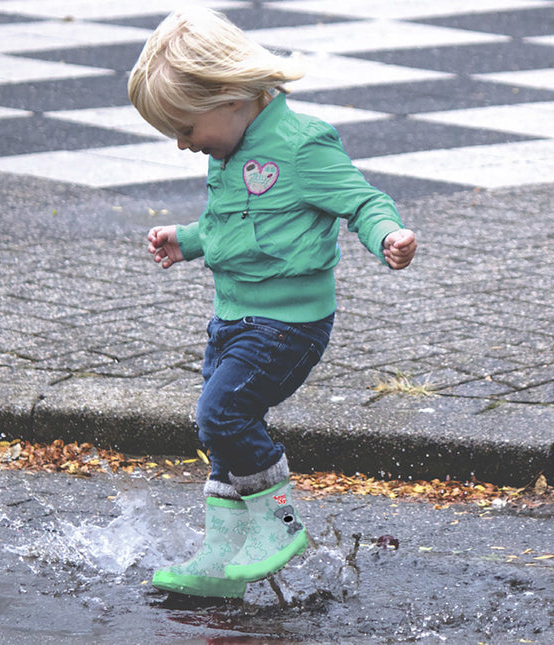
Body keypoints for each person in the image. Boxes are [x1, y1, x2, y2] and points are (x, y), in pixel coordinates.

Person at [128, 8, 416, 599]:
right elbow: (230, 224)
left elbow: (362, 200)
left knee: (221, 415)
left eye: (185, 128)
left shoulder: (302, 144)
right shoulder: (225, 152)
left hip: (288, 324)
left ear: (231, 97)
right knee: (222, 433)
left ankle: (279, 528)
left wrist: (387, 234)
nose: (183, 145)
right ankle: (222, 552)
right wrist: (186, 240)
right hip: (230, 318)